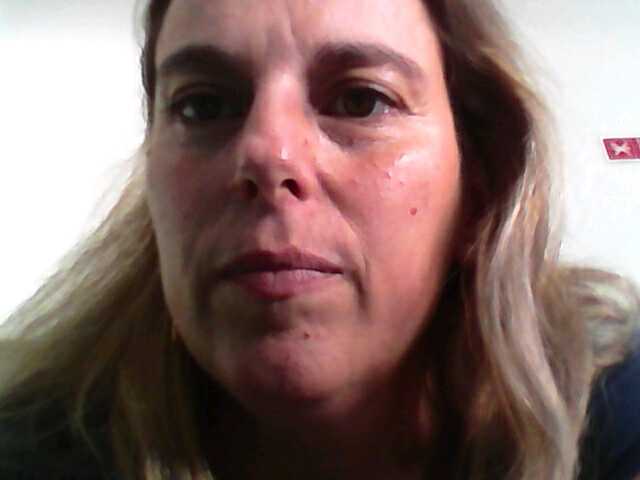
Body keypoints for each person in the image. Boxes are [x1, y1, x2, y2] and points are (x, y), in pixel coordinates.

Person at [0, 0, 639, 479]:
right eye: (202, 106)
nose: (268, 154)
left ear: (480, 184)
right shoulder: (34, 447)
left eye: (361, 100)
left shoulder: (612, 419)